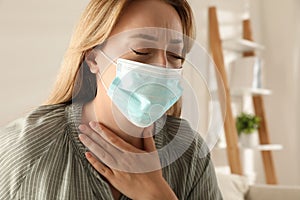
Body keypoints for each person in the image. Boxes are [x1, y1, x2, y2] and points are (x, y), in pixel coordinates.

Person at [0, 0, 223, 199]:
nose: (162, 67)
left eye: (175, 55)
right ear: (93, 58)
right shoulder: (29, 148)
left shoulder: (189, 154)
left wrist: (156, 194)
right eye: (142, 51)